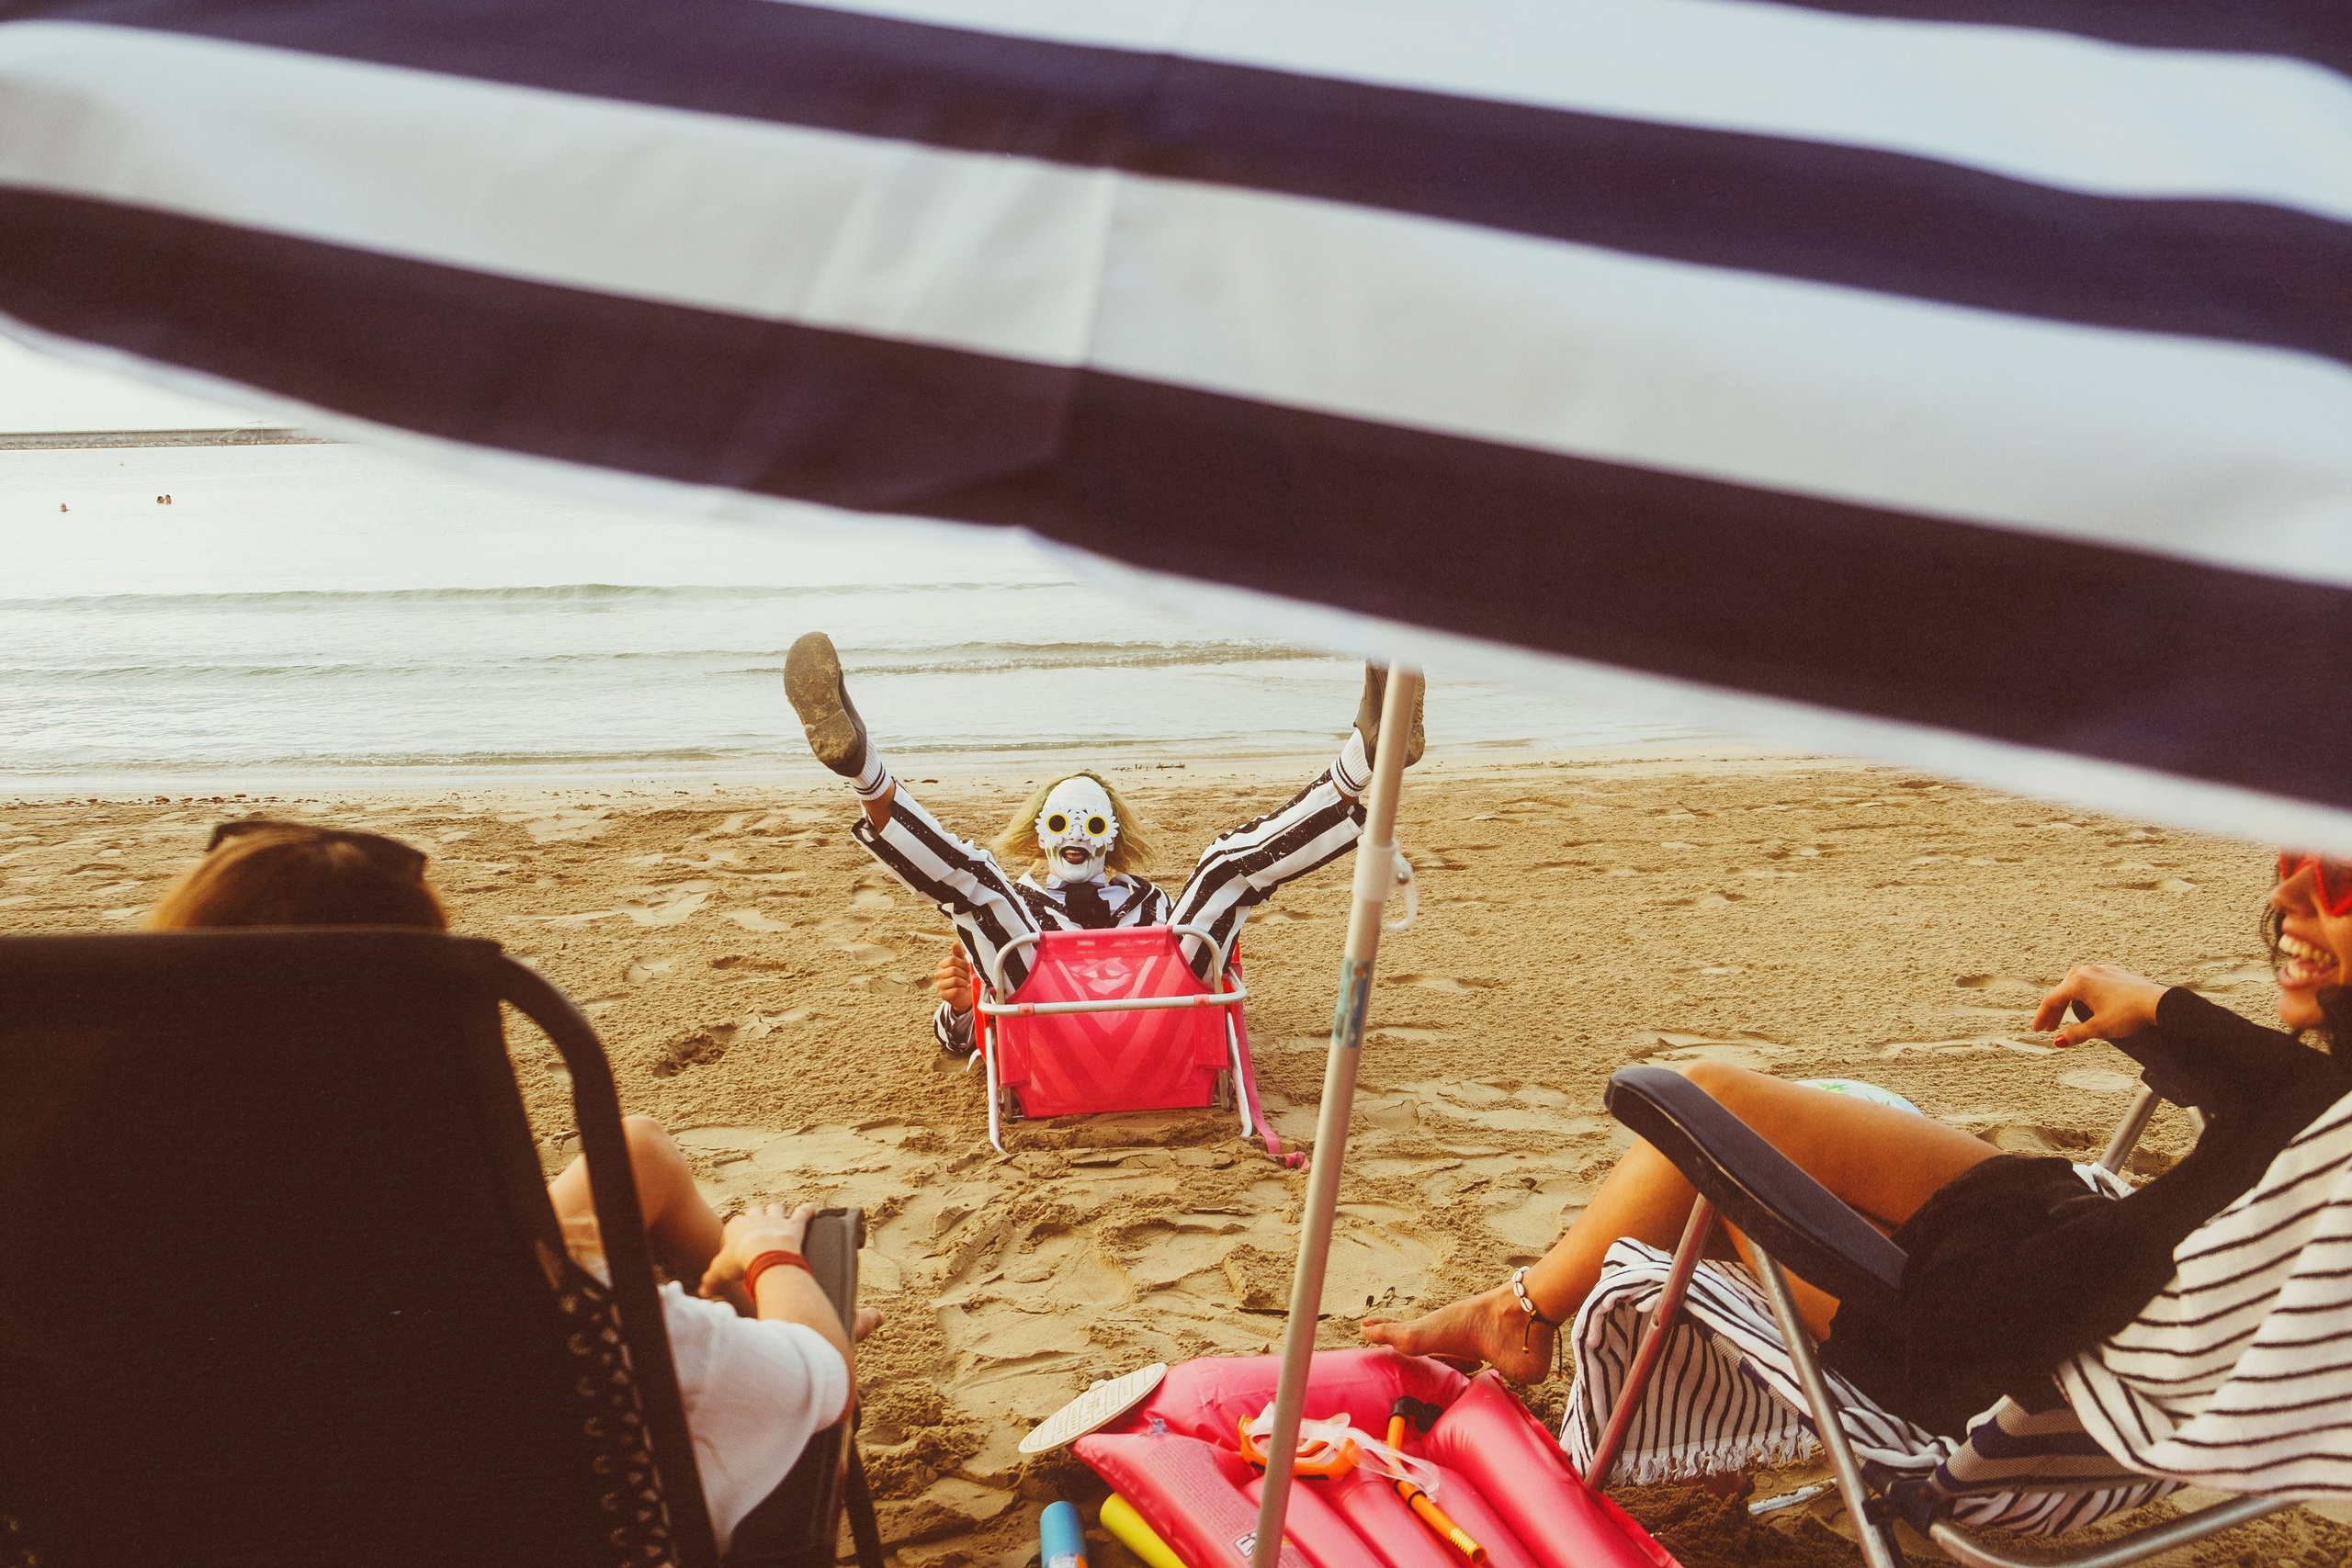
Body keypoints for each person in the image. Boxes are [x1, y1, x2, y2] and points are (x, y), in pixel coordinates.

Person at [1364, 850, 2352, 1440]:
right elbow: (2297, 1096)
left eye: (2338, 883)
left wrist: (2174, 1016)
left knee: (1696, 1140)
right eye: (2290, 866)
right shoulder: (2324, 1114)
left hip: (1975, 1344)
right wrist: (2164, 1012)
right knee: (1726, 1094)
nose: (2291, 902)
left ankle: (1518, 1315)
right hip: (2075, 1256)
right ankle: (1517, 1311)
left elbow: (1981, 1324)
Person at [149, 819, 867, 1555]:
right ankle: (740, 1300)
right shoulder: (552, 1304)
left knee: (635, 1149)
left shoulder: (105, 1255)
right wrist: (769, 1252)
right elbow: (824, 1376)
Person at [782, 632, 1424, 1055]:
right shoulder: (1016, 907)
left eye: (1092, 824)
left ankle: (1367, 755)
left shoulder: (1151, 903)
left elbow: (1212, 976)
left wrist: (1216, 949)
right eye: (1061, 825)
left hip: (1158, 1031)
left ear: (1112, 837)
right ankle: (863, 768)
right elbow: (961, 1046)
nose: (1077, 840)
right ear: (1039, 835)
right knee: (975, 881)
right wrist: (960, 1007)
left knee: (1225, 868)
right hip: (1051, 1038)